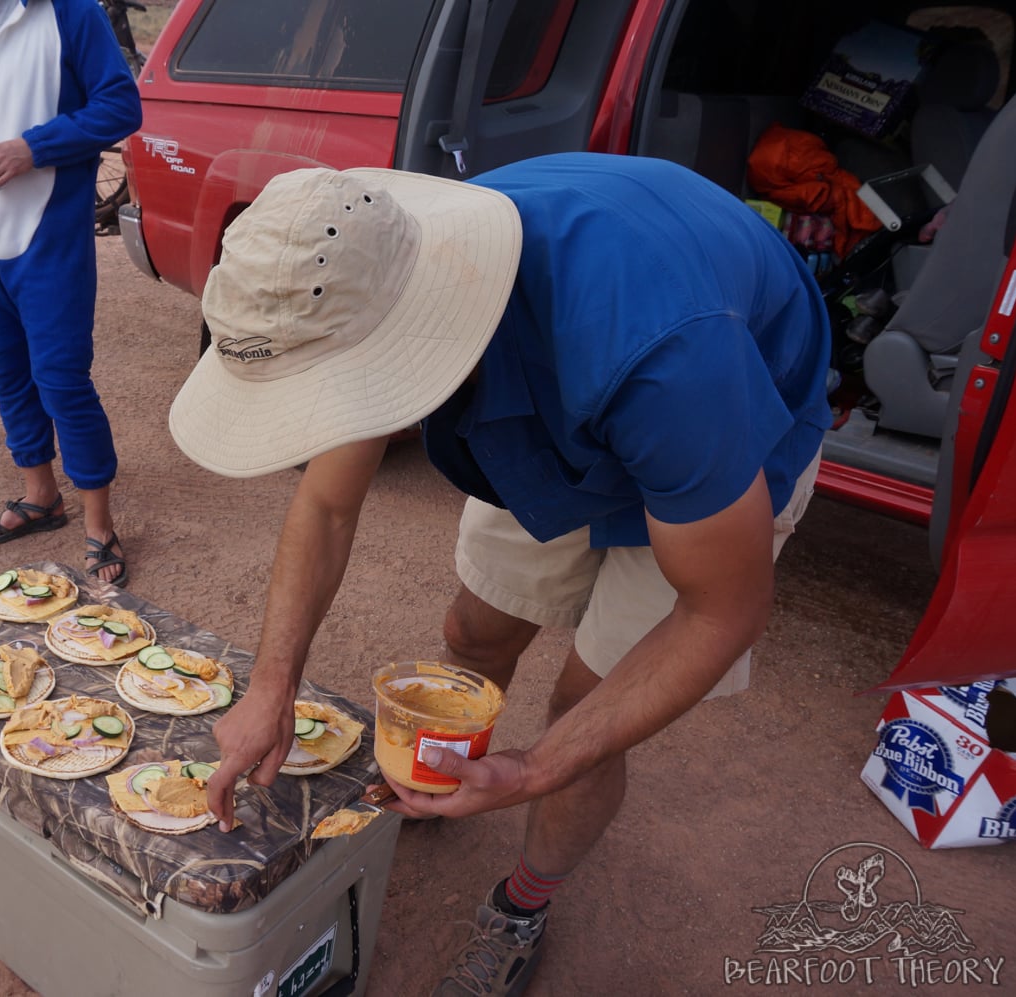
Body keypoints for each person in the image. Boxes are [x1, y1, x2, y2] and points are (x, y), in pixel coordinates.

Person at [168, 155, 831, 996]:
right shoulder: (363, 261)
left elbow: (720, 612)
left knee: (584, 714)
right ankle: (436, 778)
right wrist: (271, 684)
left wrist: (532, 770)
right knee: (472, 635)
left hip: (717, 424)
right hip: (562, 379)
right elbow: (329, 508)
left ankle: (523, 903)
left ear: (409, 343)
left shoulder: (666, 359)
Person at [0, 0, 141, 585]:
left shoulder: (69, 13)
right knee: (6, 371)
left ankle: (100, 526)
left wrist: (32, 148)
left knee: (62, 379)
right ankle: (41, 497)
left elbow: (120, 105)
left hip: (48, 236)